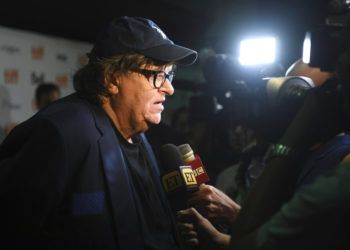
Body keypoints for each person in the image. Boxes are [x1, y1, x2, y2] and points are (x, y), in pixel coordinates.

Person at [0, 16, 197, 250]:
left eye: (169, 75)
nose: (169, 88)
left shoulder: (141, 134)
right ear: (112, 78)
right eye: (157, 75)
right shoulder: (58, 134)